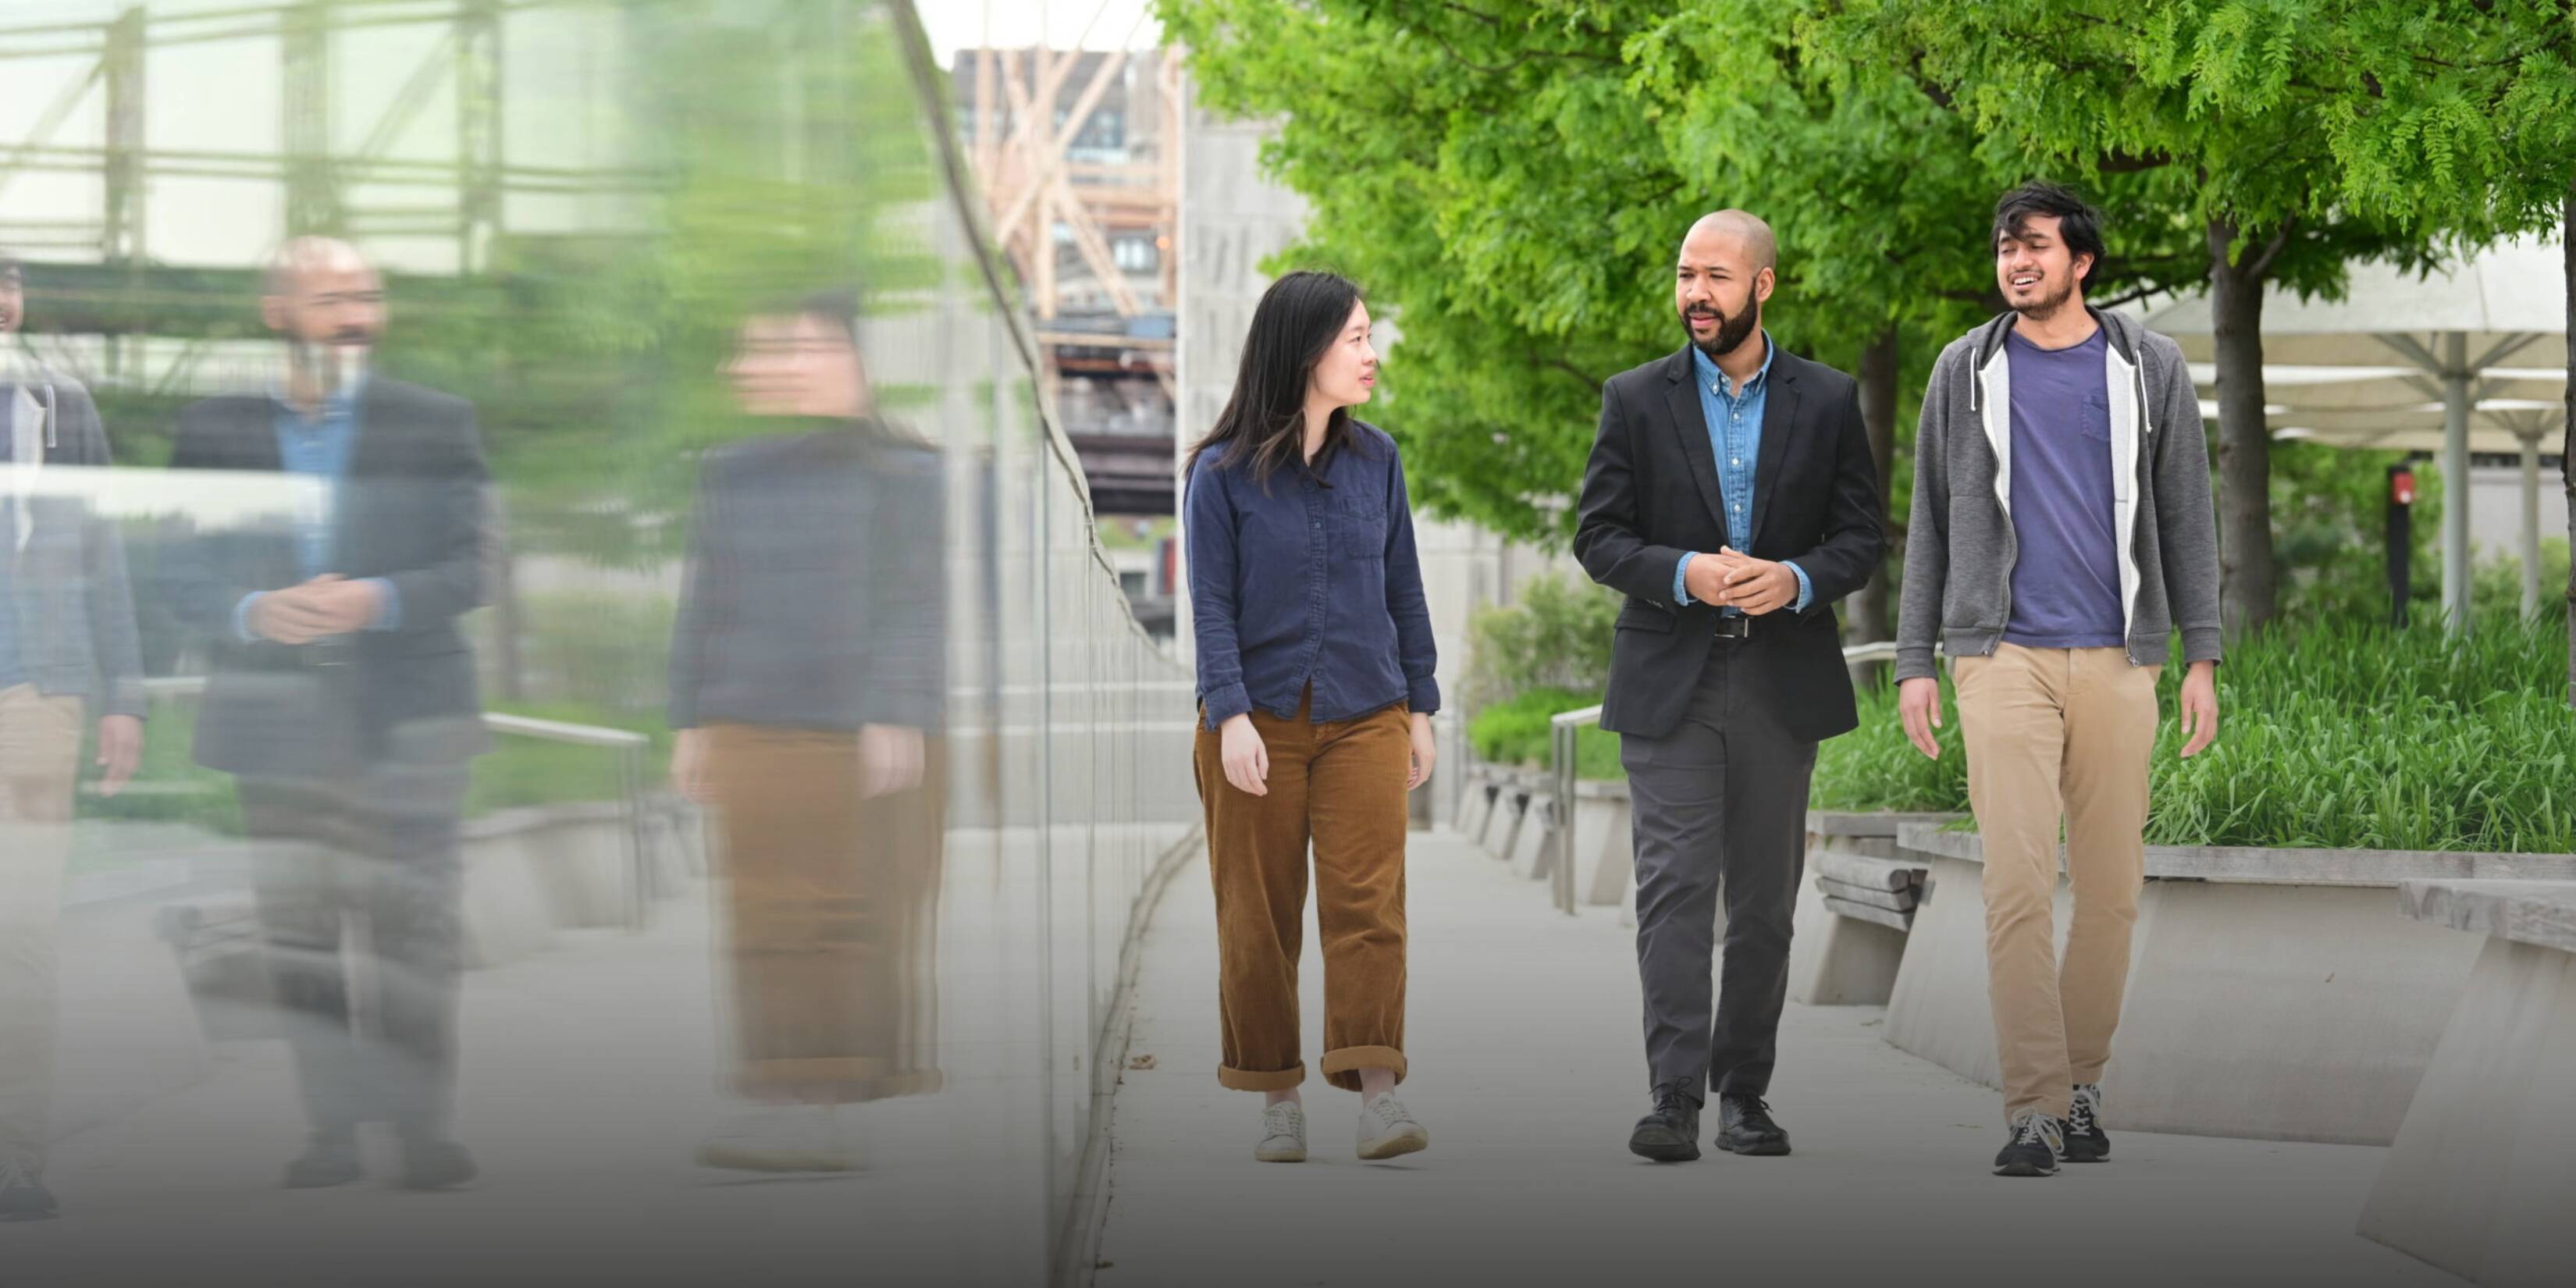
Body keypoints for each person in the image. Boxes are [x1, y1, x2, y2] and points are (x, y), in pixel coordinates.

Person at [1893, 182, 2222, 1178]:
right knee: (2018, 886)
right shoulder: (1965, 370)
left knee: (2114, 890)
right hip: (2001, 657)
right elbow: (1932, 526)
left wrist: (2199, 657)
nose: (2016, 262)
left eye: (2035, 246)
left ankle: (2082, 1083)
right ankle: (2033, 1106)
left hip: (2122, 658)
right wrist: (1917, 661)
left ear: (2083, 261)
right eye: (2005, 248)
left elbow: (2187, 515)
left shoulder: (2147, 367)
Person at [161, 237, 492, 1190]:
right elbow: (178, 570)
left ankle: (424, 1129)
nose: (356, 314)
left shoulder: (437, 422)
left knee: (413, 931)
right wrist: (250, 612)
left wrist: (377, 598)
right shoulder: (214, 427)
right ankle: (333, 1133)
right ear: (277, 311)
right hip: (276, 720)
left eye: (368, 296)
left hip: (412, 720)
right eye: (332, 297)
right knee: (300, 934)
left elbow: (476, 565)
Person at [1574, 211, 1884, 1163]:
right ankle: (1672, 1096)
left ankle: (1744, 1093)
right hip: (1671, 674)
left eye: (1714, 276)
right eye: (1684, 275)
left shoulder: (1829, 401)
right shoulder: (1633, 398)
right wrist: (1684, 572)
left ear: (1764, 286)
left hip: (1778, 679)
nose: (1694, 294)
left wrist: (1793, 580)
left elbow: (1862, 540)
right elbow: (1599, 536)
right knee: (1673, 890)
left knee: (1763, 903)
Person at [667, 290, 946, 1172]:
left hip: (852, 728)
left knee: (844, 916)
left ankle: (828, 1097)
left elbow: (916, 599)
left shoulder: (907, 472)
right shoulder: (731, 469)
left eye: (789, 346)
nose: (764, 365)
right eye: (755, 350)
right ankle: (783, 1094)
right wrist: (690, 718)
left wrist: (896, 709)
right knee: (760, 918)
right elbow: (704, 599)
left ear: (847, 357)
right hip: (752, 718)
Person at [1184, 269, 1439, 1164]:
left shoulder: (1379, 462)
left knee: (1369, 905)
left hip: (1368, 709)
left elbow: (1402, 583)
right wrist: (1233, 715)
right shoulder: (1218, 475)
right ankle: (1276, 1096)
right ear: (1305, 350)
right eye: (1356, 338)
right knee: (1258, 913)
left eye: (1371, 335)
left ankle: (1378, 1095)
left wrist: (1421, 705)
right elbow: (1210, 606)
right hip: (1256, 722)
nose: (1372, 354)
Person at [0, 251, 146, 1220]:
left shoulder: (62, 406)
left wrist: (123, 692)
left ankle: (14, 1159)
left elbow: (106, 552)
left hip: (35, 698)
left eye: (6, 280)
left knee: (22, 940)